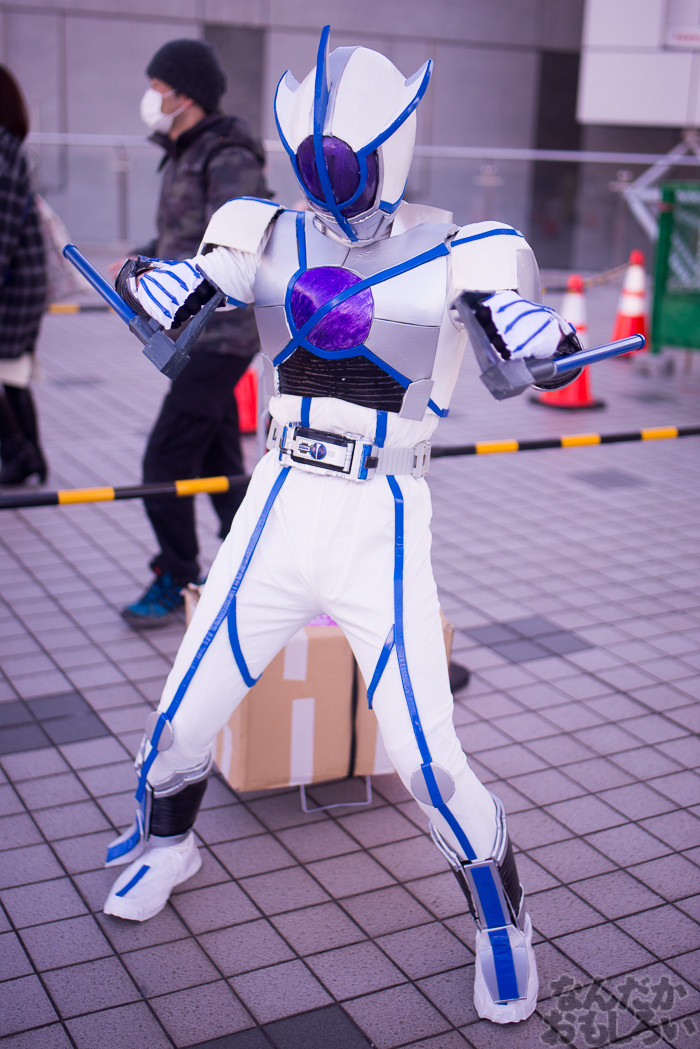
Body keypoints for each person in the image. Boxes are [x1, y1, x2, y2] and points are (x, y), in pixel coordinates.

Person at [103, 28, 585, 1023]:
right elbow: (186, 307)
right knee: (182, 713)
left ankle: (504, 920)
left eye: (343, 159)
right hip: (278, 502)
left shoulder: (466, 250)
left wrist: (534, 334)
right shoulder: (261, 228)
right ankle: (166, 843)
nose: (328, 182)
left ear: (386, 148)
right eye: (312, 159)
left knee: (427, 756)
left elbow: (516, 348)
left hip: (381, 516)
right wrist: (162, 287)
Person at [120, 38, 270, 628]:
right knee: (217, 454)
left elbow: (237, 249)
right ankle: (252, 561)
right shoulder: (183, 150)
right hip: (191, 330)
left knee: (164, 459)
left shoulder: (227, 155)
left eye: (159, 87)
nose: (152, 96)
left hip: (221, 333)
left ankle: (177, 572)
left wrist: (169, 276)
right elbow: (185, 239)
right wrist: (143, 261)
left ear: (187, 94)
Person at [0, 66, 48, 486]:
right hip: (22, 280)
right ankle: (29, 453)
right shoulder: (9, 147)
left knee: (11, 367)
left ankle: (20, 452)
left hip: (15, 283)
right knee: (12, 369)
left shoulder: (2, 151)